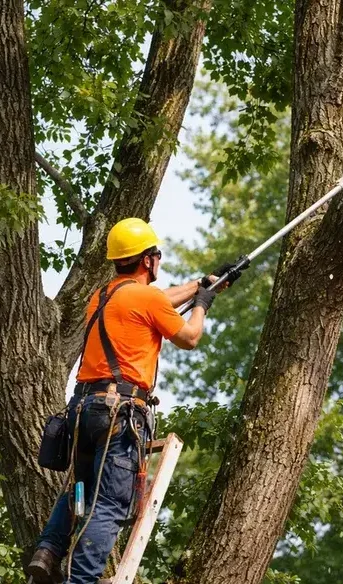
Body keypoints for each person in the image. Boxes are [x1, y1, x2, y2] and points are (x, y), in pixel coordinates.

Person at [26, 217, 238, 584]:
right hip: (119, 416)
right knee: (108, 504)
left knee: (80, 488)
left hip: (84, 411)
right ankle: (82, 580)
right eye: (156, 255)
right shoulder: (147, 298)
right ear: (147, 260)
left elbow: (155, 301)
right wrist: (203, 304)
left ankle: (47, 551)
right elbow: (188, 336)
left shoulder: (104, 296)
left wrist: (201, 285)